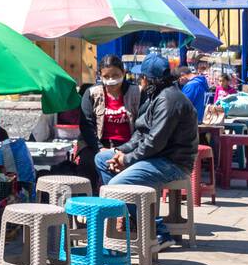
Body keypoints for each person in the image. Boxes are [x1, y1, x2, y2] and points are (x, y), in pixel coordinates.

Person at [95, 54, 199, 246]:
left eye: (142, 77)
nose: (140, 81)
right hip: (155, 157)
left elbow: (154, 142)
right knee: (101, 159)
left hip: (172, 162)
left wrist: (126, 160)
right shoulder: (154, 95)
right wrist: (120, 151)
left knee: (118, 183)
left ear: (150, 79)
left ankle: (158, 231)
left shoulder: (169, 100)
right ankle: (132, 216)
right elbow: (140, 134)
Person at [76, 55, 141, 193]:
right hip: (98, 144)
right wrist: (99, 148)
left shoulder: (137, 92)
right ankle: (91, 199)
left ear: (123, 73)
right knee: (88, 161)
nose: (111, 80)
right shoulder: (92, 93)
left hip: (129, 144)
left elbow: (142, 125)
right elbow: (86, 124)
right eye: (107, 76)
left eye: (116, 75)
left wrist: (123, 149)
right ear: (100, 75)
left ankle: (123, 200)